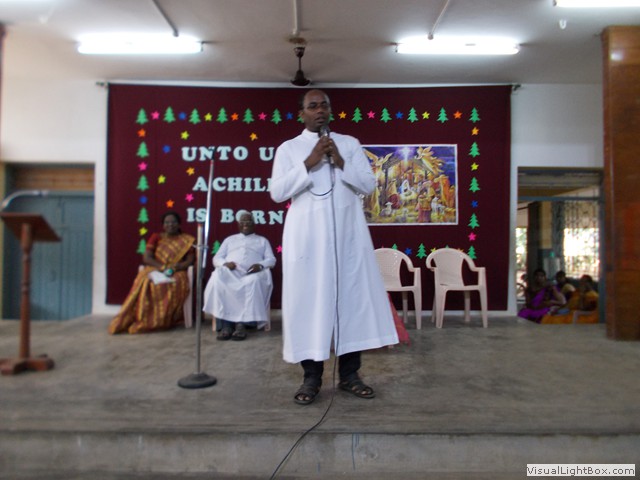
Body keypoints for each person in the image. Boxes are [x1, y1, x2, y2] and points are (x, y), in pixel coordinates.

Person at [270, 89, 399, 406]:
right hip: (307, 240)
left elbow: (368, 186)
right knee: (309, 305)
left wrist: (340, 161)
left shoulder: (350, 144)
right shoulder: (289, 148)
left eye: (324, 105)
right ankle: (311, 378)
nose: (320, 110)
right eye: (312, 106)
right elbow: (277, 192)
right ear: (301, 113)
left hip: (347, 238)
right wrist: (310, 162)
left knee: (350, 302)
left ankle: (350, 376)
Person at [109, 211, 195, 334]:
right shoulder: (156, 237)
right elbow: (147, 258)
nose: (170, 225)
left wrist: (178, 266)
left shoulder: (187, 240)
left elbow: (190, 260)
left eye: (173, 222)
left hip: (177, 271)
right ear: (163, 225)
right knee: (146, 282)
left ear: (179, 224)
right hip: (156, 268)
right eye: (167, 222)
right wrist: (162, 267)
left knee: (174, 283)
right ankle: (143, 319)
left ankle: (163, 321)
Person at [202, 210, 276, 341]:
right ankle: (226, 326)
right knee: (218, 277)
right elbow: (217, 258)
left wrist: (260, 265)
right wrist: (225, 263)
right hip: (232, 272)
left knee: (253, 281)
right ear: (238, 224)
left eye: (248, 221)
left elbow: (271, 259)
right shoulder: (229, 240)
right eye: (242, 221)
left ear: (254, 223)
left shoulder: (262, 240)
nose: (245, 223)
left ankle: (242, 325)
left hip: (252, 273)